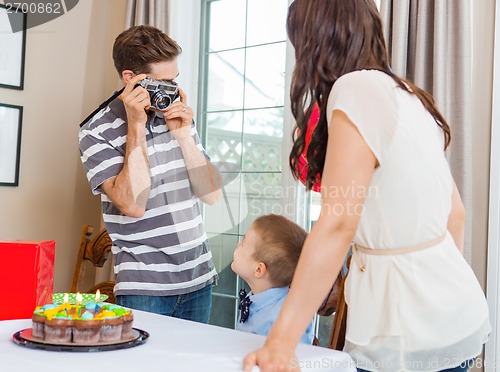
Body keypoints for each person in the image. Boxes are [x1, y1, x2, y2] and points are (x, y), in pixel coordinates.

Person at [243, 1, 491, 371]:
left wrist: (280, 342)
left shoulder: (354, 89)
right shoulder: (408, 94)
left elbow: (337, 224)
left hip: (406, 338)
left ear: (315, 40)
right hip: (458, 317)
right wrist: (434, 295)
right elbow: (456, 214)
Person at [79, 25, 222, 324]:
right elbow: (133, 205)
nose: (171, 91)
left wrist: (183, 136)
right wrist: (136, 125)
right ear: (130, 78)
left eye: (174, 81)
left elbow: (211, 195)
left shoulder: (176, 114)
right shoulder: (94, 131)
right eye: (164, 82)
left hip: (199, 277)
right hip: (145, 286)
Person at [231, 214, 314, 344]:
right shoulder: (257, 297)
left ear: (258, 270)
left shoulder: (285, 318)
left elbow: (296, 358)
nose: (237, 244)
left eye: (243, 243)